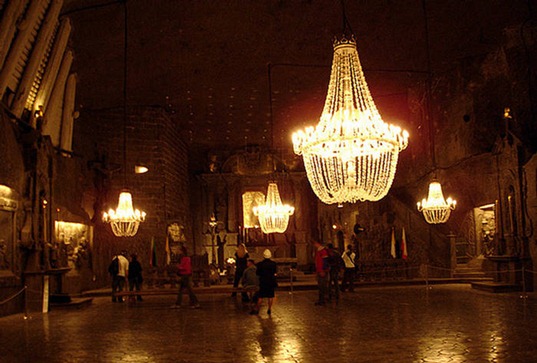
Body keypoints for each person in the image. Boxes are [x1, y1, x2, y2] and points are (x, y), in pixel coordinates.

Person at [252, 249, 277, 315]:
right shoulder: (273, 264)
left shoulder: (260, 264)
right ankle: (269, 309)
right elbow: (275, 272)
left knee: (260, 296)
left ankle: (257, 309)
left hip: (263, 281)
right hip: (271, 281)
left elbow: (257, 273)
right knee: (271, 296)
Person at [313, 241, 329, 306]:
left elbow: (325, 261)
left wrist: (323, 270)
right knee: (320, 286)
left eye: (315, 243)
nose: (314, 245)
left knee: (322, 286)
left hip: (322, 271)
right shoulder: (319, 251)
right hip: (319, 270)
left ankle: (323, 300)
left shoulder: (323, 251)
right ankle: (321, 300)